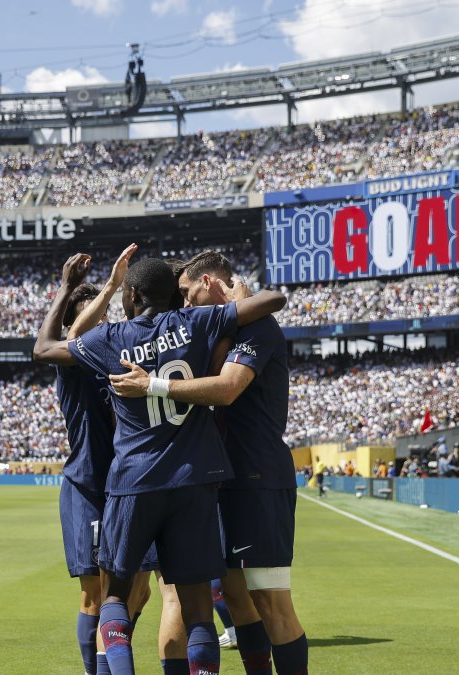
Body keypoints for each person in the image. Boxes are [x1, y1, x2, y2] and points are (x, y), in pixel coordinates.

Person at [33, 251, 287, 675]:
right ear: (174, 295)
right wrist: (231, 296)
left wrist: (72, 288)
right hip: (194, 481)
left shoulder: (111, 338)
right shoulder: (197, 324)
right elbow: (274, 300)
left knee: (116, 596)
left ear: (132, 294)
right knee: (198, 609)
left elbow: (44, 349)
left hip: (134, 481)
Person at [109, 250, 309, 675]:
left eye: (186, 293)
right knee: (234, 599)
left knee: (271, 602)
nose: (182, 304)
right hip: (216, 479)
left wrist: (153, 385)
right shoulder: (205, 331)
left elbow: (227, 389)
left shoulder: (257, 326)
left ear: (208, 283)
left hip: (256, 477)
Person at [51, 246, 157, 675]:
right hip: (90, 485)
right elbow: (73, 334)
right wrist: (92, 286)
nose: (100, 322)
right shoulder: (73, 362)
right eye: (91, 315)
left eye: (103, 314)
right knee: (97, 596)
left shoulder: (116, 353)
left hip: (130, 484)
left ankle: (109, 659)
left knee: (140, 592)